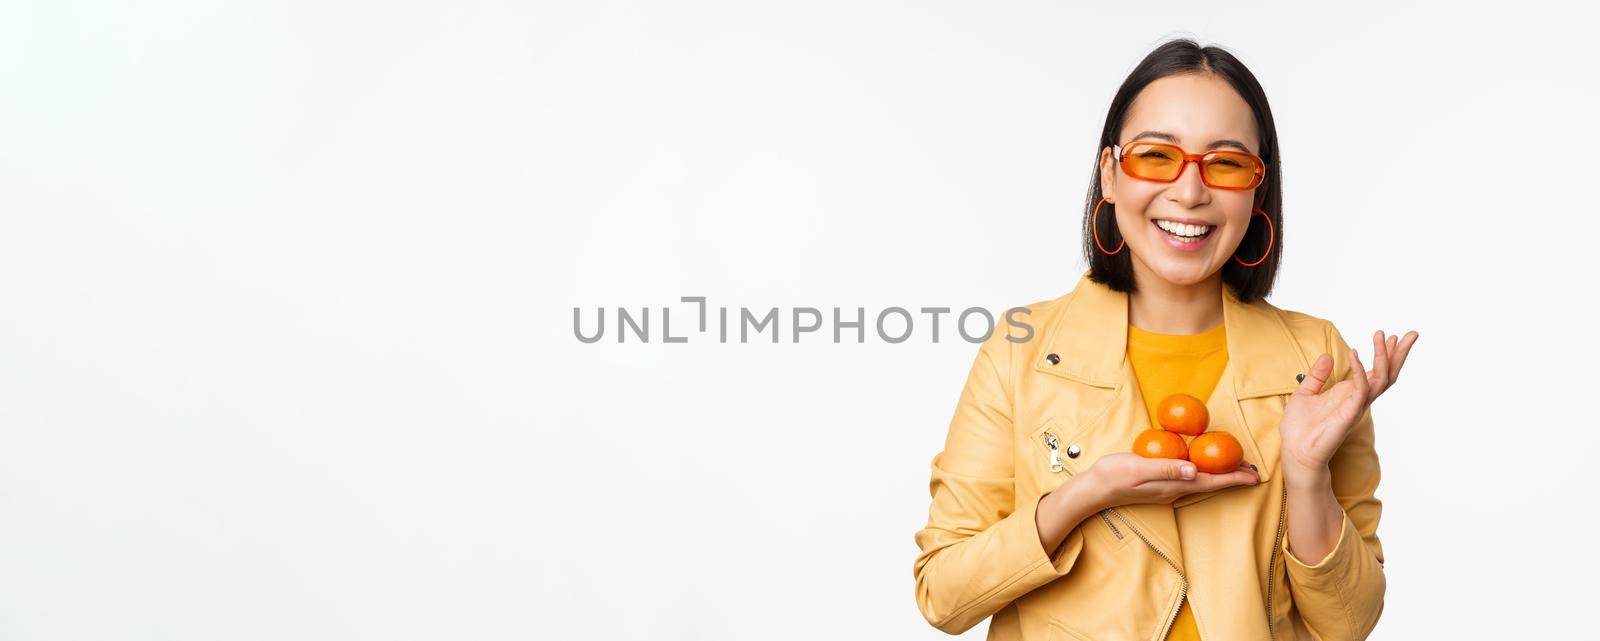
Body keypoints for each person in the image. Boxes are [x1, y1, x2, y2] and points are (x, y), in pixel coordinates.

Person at [911, 39, 1419, 641]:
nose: (1189, 192)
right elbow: (943, 595)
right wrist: (1085, 496)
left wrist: (1306, 474)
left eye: (1226, 164)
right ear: (1110, 174)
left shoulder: (1316, 359)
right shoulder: (1022, 349)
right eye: (1157, 156)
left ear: (1257, 189)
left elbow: (1350, 623)